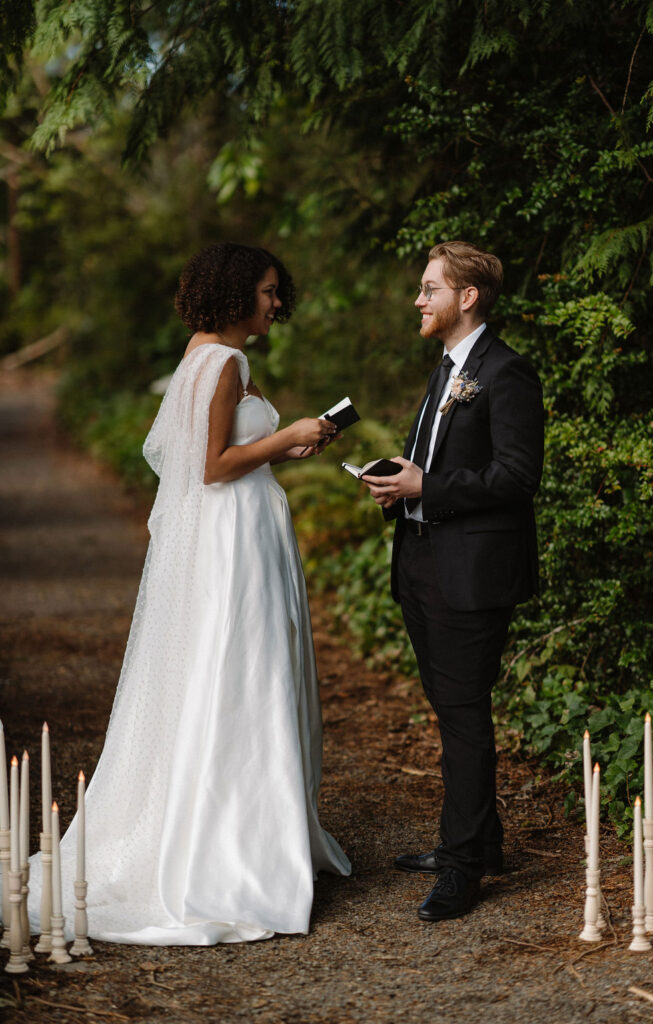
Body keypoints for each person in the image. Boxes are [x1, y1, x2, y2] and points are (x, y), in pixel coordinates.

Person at [27, 242, 351, 944]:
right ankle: (232, 848)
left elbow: (199, 455)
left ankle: (253, 826)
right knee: (244, 671)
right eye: (266, 291)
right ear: (235, 293)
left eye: (276, 291)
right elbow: (208, 467)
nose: (276, 302)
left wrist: (287, 447)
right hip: (231, 536)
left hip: (239, 530)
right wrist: (286, 433)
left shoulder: (203, 353)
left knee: (238, 668)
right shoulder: (223, 361)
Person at [361, 240, 543, 922]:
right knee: (451, 711)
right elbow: (435, 463)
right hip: (421, 565)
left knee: (464, 719)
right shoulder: (446, 369)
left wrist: (427, 485)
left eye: (429, 288)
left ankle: (463, 867)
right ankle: (478, 841)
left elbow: (518, 477)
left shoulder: (506, 371)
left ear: (466, 297)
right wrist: (401, 488)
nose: (418, 299)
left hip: (471, 576)